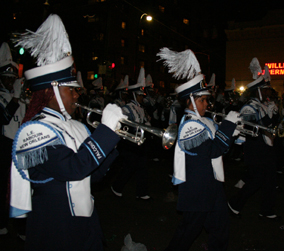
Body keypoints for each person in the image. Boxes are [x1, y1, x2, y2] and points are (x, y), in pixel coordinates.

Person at [9, 14, 126, 251]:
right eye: (71, 89)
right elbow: (73, 168)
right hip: (55, 226)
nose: (76, 95)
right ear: (51, 92)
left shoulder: (76, 125)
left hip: (86, 221)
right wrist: (104, 133)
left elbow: (92, 176)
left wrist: (113, 142)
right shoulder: (33, 130)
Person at [158, 48, 240, 250]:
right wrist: (228, 127)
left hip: (212, 186)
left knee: (221, 227)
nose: (206, 104)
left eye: (206, 100)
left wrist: (235, 135)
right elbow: (213, 150)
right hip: (198, 189)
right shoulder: (189, 126)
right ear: (191, 101)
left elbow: (221, 146)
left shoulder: (205, 121)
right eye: (203, 100)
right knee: (189, 231)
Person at [228, 58, 281, 221]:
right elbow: (251, 129)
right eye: (266, 89)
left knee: (270, 181)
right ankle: (234, 203)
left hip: (266, 148)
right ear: (258, 90)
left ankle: (266, 209)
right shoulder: (249, 107)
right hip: (255, 150)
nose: (269, 92)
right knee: (256, 181)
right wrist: (267, 117)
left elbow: (274, 124)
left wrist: (275, 113)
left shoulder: (265, 105)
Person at [110, 68, 152, 200]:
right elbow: (122, 125)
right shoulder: (126, 108)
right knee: (129, 166)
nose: (141, 97)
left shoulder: (141, 108)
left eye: (142, 95)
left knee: (142, 166)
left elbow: (145, 121)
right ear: (134, 95)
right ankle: (116, 186)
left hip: (140, 140)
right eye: (139, 95)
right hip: (130, 142)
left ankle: (141, 192)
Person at [0, 42, 27, 239]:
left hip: (19, 145)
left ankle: (21, 226)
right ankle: (1, 221)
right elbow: (4, 117)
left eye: (12, 78)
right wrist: (16, 98)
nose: (10, 82)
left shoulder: (19, 95)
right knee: (2, 186)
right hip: (3, 145)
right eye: (6, 78)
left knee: (22, 187)